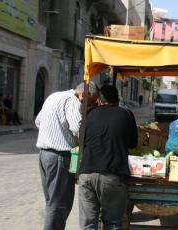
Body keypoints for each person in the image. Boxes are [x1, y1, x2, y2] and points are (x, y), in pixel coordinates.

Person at [35, 82, 99, 230]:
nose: (89, 105)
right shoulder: (72, 100)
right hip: (60, 157)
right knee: (59, 204)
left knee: (52, 201)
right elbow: (78, 128)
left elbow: (38, 121)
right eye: (90, 102)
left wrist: (53, 133)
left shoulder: (53, 96)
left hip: (44, 155)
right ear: (84, 94)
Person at [78, 85, 138, 230]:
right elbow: (133, 144)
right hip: (112, 175)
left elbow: (81, 141)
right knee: (112, 223)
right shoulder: (126, 114)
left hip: (86, 175)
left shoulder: (89, 114)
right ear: (118, 99)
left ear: (99, 99)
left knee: (88, 225)